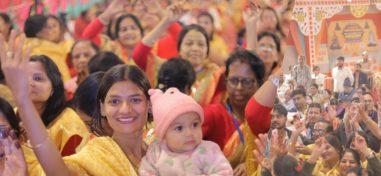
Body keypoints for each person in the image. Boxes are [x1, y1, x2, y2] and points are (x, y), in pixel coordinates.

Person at [1, 30, 152, 175]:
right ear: (102, 108)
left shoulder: (159, 146)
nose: (125, 109)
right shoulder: (98, 154)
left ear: (150, 104)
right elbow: (58, 173)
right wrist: (23, 100)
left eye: (135, 99)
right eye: (114, 101)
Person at [139, 88, 233, 175]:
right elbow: (145, 172)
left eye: (194, 125)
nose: (189, 133)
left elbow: (225, 172)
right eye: (179, 128)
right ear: (164, 134)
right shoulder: (156, 152)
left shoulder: (208, 150)